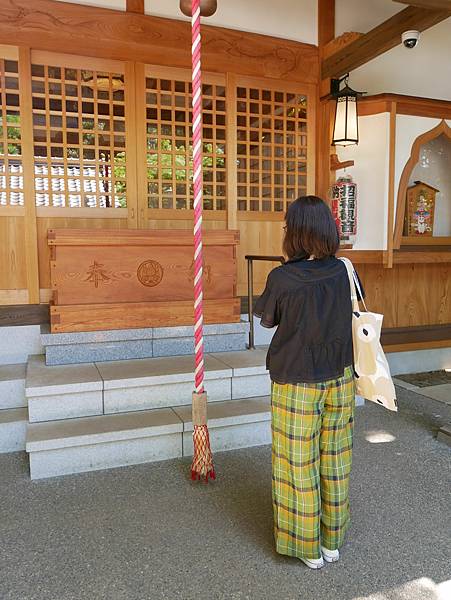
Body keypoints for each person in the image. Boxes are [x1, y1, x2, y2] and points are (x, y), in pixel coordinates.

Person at [254, 195, 363, 570]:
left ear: (295, 233)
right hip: (341, 374)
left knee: (295, 462)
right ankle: (332, 539)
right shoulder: (345, 269)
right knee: (335, 456)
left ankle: (307, 545)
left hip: (296, 379)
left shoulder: (282, 277)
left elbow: (268, 321)